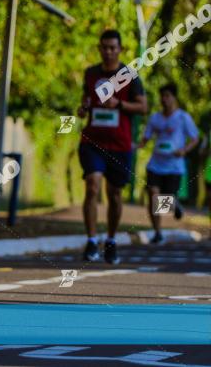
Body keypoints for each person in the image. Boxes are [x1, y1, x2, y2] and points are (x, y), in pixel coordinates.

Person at [77, 30, 148, 264]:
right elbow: (87, 99)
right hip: (93, 142)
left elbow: (143, 107)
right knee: (92, 185)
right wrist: (83, 109)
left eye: (112, 48)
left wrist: (119, 104)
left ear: (119, 49)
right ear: (99, 48)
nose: (108, 52)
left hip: (119, 144)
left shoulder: (129, 75)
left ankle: (111, 240)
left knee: (114, 195)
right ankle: (91, 241)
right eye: (104, 47)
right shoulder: (91, 73)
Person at [138, 83, 200, 244]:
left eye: (167, 96)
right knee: (153, 195)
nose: (164, 99)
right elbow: (146, 138)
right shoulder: (155, 118)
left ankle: (174, 204)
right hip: (156, 164)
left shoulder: (183, 117)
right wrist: (136, 144)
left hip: (174, 166)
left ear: (174, 98)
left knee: (164, 200)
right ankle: (157, 232)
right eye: (162, 96)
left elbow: (195, 138)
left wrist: (184, 150)